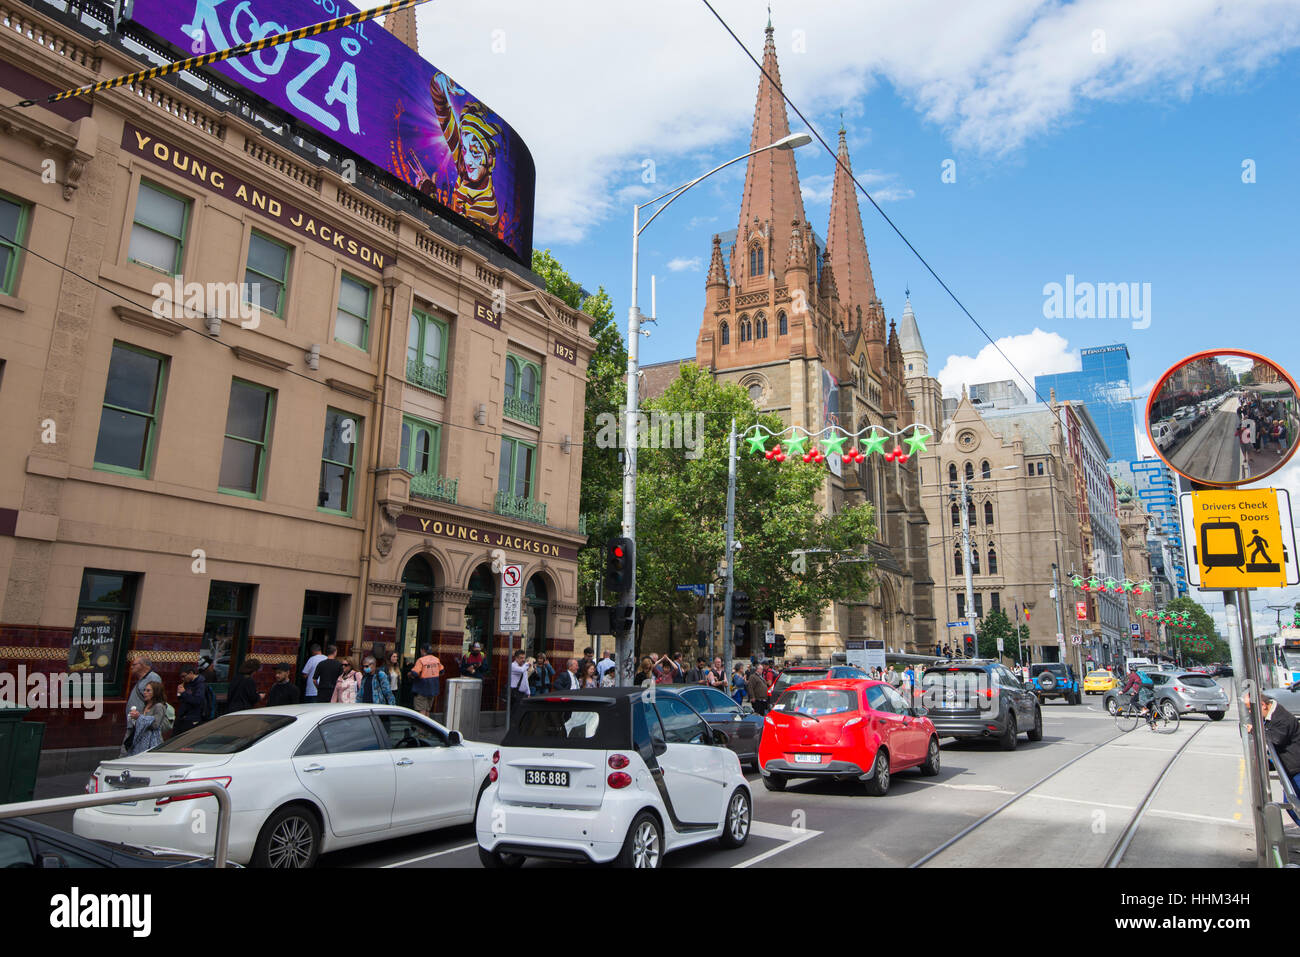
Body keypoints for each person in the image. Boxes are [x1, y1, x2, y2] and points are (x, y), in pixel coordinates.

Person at [1244, 691, 1300, 825]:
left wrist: (1254, 730)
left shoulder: (1282, 718)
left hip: (1296, 769)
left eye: (1251, 709)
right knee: (1292, 805)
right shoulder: (1270, 716)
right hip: (1291, 768)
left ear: (1263, 705)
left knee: (1293, 805)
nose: (1251, 713)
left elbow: (1276, 739)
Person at [126, 681, 168, 755]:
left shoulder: (159, 706)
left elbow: (156, 724)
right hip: (140, 741)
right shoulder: (145, 706)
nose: (145, 692)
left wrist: (139, 717)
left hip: (151, 742)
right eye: (144, 690)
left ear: (156, 692)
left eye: (148, 690)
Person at [410, 645, 444, 716]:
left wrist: (409, 674)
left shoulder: (421, 660)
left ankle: (421, 727)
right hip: (432, 689)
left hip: (421, 689)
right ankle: (426, 726)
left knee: (421, 711)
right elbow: (442, 671)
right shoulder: (436, 660)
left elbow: (415, 673)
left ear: (422, 650)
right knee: (427, 710)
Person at [174, 665, 207, 736]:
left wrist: (184, 693)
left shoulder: (200, 685)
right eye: (181, 677)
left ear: (191, 673)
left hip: (192, 718)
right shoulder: (187, 683)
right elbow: (182, 699)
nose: (183, 679)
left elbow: (197, 700)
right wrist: (180, 693)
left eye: (184, 676)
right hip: (183, 717)